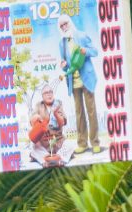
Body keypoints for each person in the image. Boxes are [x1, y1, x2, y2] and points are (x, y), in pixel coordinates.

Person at [57, 14, 100, 155]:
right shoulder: (61, 43)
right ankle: (82, 143)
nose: (64, 27)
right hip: (73, 82)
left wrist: (85, 51)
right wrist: (63, 65)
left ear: (70, 22)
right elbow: (65, 65)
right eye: (61, 25)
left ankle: (95, 143)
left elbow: (95, 51)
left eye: (65, 24)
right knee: (79, 113)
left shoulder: (81, 35)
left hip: (86, 79)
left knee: (91, 111)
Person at [28, 84, 67, 166]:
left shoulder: (58, 104)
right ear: (42, 96)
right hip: (44, 143)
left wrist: (55, 114)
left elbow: (62, 123)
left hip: (58, 141)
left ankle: (59, 159)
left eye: (51, 92)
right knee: (34, 148)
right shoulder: (39, 105)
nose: (49, 94)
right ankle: (46, 161)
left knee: (70, 145)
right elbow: (32, 121)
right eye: (46, 93)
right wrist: (36, 117)